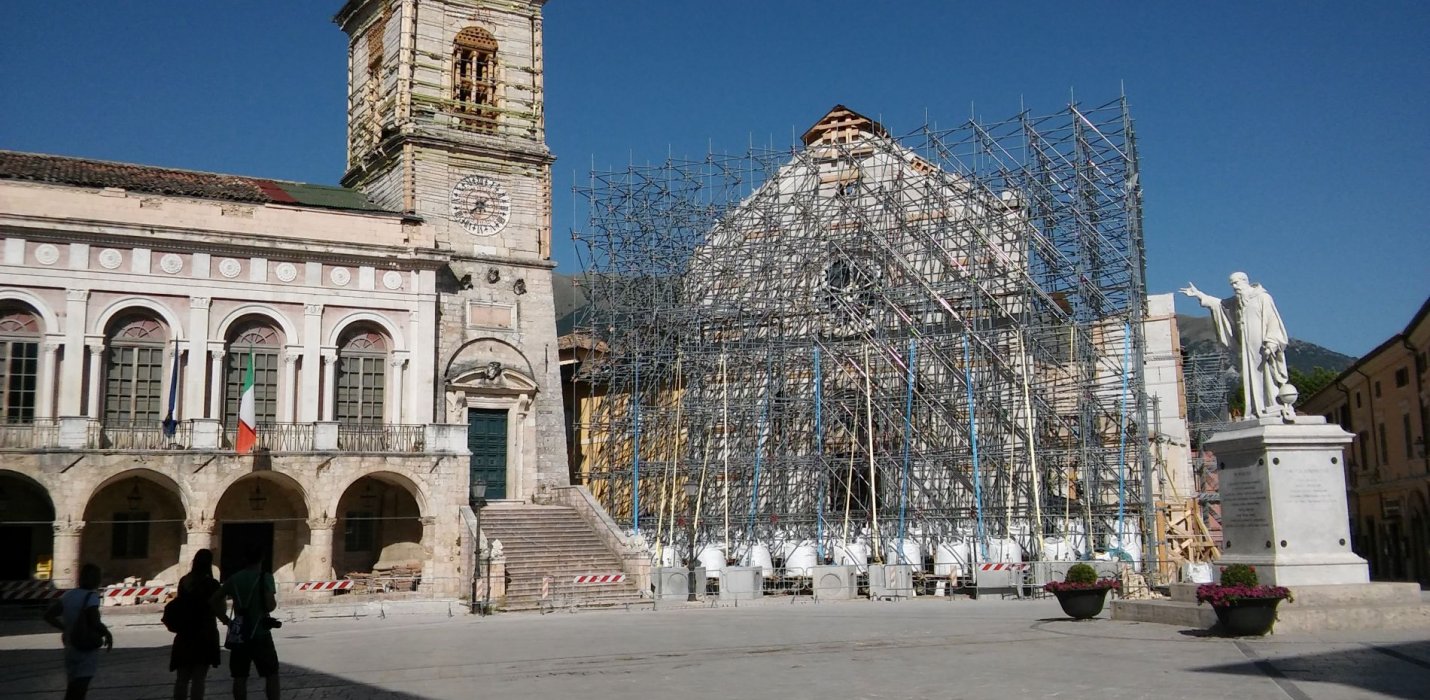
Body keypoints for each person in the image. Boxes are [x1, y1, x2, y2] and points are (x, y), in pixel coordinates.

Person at [1180, 272, 1291, 419]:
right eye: (1232, 284)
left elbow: (1273, 321)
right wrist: (1199, 294)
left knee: (1267, 375)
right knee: (1251, 376)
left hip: (1263, 345)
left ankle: (1271, 405)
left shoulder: (1262, 297)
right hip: (1246, 346)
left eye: (1236, 283)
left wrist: (1271, 342)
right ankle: (1256, 410)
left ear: (1245, 281)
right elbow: (1219, 305)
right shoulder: (1238, 301)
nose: (1234, 287)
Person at [211, 543, 280, 700]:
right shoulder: (266, 578)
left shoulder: (235, 579)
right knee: (271, 674)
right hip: (260, 633)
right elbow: (270, 606)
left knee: (240, 677)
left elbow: (214, 600)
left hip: (240, 633)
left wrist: (226, 621)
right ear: (262, 558)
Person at [44, 563, 113, 700]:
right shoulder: (91, 597)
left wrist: (65, 628)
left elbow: (48, 615)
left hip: (71, 645)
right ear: (95, 579)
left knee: (72, 685)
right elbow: (95, 621)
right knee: (81, 688)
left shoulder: (68, 595)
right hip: (85, 647)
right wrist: (107, 634)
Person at [171, 549, 225, 700]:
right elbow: (219, 608)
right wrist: (227, 621)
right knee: (198, 679)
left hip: (185, 633)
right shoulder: (212, 585)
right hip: (205, 633)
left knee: (181, 679)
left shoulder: (184, 581)